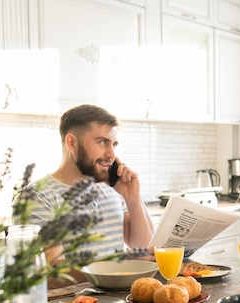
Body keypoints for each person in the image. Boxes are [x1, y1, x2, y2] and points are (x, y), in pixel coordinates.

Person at [13, 104, 155, 285]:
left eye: (114, 144)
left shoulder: (112, 189)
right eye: (102, 142)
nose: (111, 154)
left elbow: (144, 248)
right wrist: (116, 264)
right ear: (72, 143)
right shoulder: (37, 197)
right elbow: (49, 274)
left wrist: (132, 196)